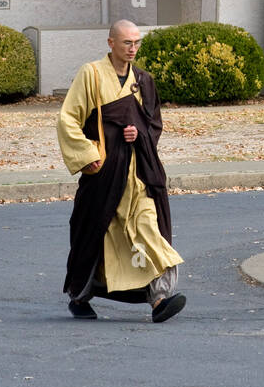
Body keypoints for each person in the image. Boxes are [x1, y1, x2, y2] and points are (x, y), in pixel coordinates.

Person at [57, 19, 185, 322]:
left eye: (137, 42)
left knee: (149, 229)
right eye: (127, 42)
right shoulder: (91, 75)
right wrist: (88, 155)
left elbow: (153, 123)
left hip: (138, 173)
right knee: (97, 235)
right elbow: (68, 119)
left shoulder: (144, 80)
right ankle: (80, 295)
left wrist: (138, 134)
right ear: (111, 43)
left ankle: (160, 298)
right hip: (104, 175)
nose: (133, 48)